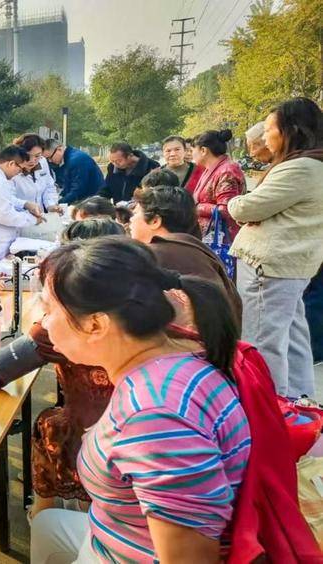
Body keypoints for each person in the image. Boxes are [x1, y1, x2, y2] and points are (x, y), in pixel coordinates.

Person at [31, 237, 249, 564]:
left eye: (49, 309)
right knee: (47, 525)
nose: (44, 322)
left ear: (95, 324)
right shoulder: (177, 354)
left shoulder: (154, 415)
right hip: (116, 535)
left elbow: (189, 559)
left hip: (127, 553)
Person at [229, 97, 323, 398]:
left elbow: (245, 208)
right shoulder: (313, 164)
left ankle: (270, 407)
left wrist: (235, 202)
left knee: (262, 342)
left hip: (268, 265)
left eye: (269, 129)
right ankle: (299, 404)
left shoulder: (300, 168)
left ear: (290, 131)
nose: (265, 136)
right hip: (290, 265)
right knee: (293, 337)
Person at [130, 184, 241, 323]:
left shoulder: (152, 255)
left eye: (135, 214)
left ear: (155, 221)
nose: (131, 219)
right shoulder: (199, 251)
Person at [0, 145, 44, 260]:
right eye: (20, 169)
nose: (18, 173)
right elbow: (5, 216)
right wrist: (33, 219)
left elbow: (6, 199)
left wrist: (25, 204)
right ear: (11, 164)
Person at [190, 129, 245, 239]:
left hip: (222, 237)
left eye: (192, 151)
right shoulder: (210, 168)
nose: (191, 155)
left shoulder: (227, 171)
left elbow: (226, 209)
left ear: (203, 150)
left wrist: (196, 207)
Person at [43, 139, 104, 204]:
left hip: (94, 202)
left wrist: (58, 203)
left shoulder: (76, 160)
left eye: (50, 157)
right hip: (89, 199)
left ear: (59, 149)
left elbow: (77, 190)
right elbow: (68, 186)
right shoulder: (69, 158)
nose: (49, 161)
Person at [12, 134, 62, 215]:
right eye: (27, 155)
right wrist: (25, 205)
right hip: (19, 218)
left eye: (37, 156)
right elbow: (6, 199)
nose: (32, 160)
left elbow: (49, 186)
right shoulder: (11, 170)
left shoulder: (42, 162)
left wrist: (50, 205)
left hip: (40, 217)